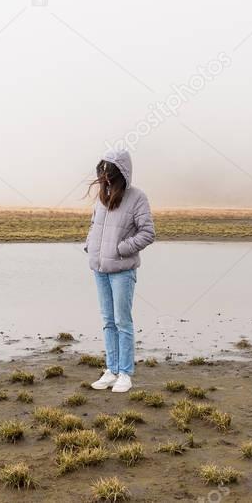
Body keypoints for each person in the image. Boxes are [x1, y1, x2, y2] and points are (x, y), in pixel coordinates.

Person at [84, 149, 155, 392]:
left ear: (120, 173)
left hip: (122, 271)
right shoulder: (101, 199)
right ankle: (111, 370)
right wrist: (90, 247)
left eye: (108, 173)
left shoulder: (137, 198)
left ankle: (125, 373)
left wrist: (122, 248)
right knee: (107, 321)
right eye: (102, 172)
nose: (104, 178)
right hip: (100, 269)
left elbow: (148, 233)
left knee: (122, 321)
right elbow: (95, 225)